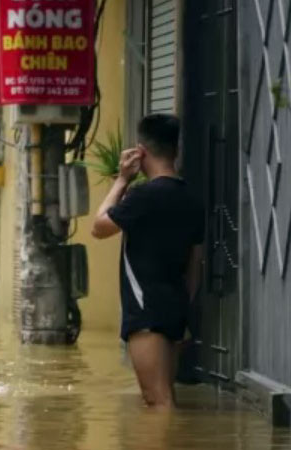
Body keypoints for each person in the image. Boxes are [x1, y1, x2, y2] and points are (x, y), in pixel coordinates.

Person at [91, 114, 204, 409]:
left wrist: (122, 179)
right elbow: (195, 264)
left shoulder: (143, 196)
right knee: (165, 396)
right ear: (175, 149)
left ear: (140, 152)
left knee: (157, 401)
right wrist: (184, 305)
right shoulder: (191, 198)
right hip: (175, 307)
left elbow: (99, 227)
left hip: (146, 311)